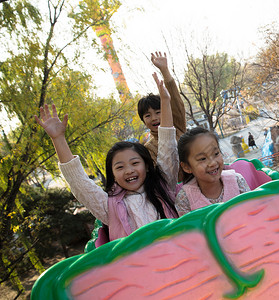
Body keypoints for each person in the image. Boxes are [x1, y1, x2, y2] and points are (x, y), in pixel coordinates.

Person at [35, 73, 178, 241]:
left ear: (147, 165)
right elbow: (79, 183)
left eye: (134, 163)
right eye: (120, 167)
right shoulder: (110, 207)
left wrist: (166, 102)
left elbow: (168, 146)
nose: (129, 170)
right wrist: (58, 139)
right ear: (113, 175)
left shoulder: (163, 186)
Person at [175, 127, 250, 216]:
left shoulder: (237, 181)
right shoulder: (185, 199)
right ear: (187, 167)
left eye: (216, 154)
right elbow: (188, 229)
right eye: (202, 158)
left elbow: (253, 212)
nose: (213, 163)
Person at [138, 52, 186, 162]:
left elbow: (175, 101)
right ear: (143, 121)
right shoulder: (149, 149)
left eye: (158, 112)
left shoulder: (177, 128)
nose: (154, 118)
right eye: (148, 115)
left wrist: (165, 70)